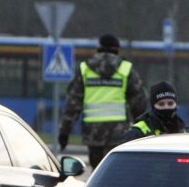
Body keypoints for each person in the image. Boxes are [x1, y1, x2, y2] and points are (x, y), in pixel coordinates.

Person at [57, 33, 147, 168]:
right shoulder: (126, 69)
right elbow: (139, 102)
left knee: (98, 172)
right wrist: (139, 126)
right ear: (117, 49)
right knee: (117, 171)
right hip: (119, 133)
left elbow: (73, 105)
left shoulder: (85, 69)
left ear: (98, 48)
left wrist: (65, 132)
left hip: (93, 134)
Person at [122, 80, 187, 142]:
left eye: (170, 103)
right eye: (161, 104)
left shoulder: (182, 129)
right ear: (153, 106)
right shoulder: (138, 132)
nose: (166, 107)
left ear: (176, 104)